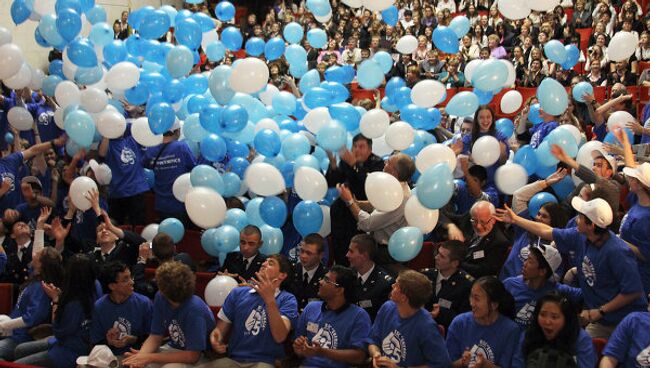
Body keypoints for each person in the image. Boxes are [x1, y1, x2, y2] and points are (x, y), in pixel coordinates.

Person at [495, 197, 648, 338]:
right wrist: (515, 219)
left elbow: (633, 291)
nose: (576, 220)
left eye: (580, 217)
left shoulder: (617, 251)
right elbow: (546, 231)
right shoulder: (580, 236)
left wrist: (601, 310)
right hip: (601, 319)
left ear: (591, 225)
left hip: (626, 319)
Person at [207, 254, 298, 367]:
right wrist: (216, 338)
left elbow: (280, 337)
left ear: (282, 275)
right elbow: (219, 330)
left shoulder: (287, 299)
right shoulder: (238, 293)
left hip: (264, 361)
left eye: (270, 263)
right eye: (265, 261)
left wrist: (270, 300)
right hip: (234, 359)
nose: (264, 264)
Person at [122, 261, 215, 367]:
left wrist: (149, 357)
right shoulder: (160, 298)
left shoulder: (195, 309)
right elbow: (155, 336)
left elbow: (193, 356)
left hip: (201, 357)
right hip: (172, 349)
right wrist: (141, 358)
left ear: (163, 289)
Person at [14, 254, 98, 367]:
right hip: (70, 342)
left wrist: (56, 300)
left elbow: (58, 331)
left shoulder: (74, 304)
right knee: (20, 350)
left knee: (15, 364)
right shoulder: (95, 287)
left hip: (68, 351)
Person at [338, 153, 415, 266]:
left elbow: (368, 223)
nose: (384, 163)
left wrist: (349, 202)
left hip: (387, 255)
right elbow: (378, 205)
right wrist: (357, 203)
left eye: (388, 162)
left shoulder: (400, 198)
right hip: (382, 248)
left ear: (394, 172)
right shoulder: (397, 187)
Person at [0, 224, 63, 361]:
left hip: (21, 337)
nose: (35, 253)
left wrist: (5, 325)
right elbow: (38, 250)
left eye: (38, 254)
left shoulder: (41, 287)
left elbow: (32, 318)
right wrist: (39, 227)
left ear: (41, 264)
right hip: (11, 330)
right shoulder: (35, 275)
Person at [368, 270, 451, 367]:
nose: (392, 286)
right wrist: (376, 354)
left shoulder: (426, 326)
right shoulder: (387, 308)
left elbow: (441, 364)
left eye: (396, 286)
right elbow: (373, 340)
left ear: (404, 298)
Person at [293, 266, 371, 368]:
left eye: (326, 280)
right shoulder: (311, 308)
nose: (320, 282)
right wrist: (298, 347)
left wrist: (322, 352)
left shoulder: (359, 316)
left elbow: (360, 357)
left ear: (339, 290)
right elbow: (298, 346)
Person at [500, 169, 570, 280]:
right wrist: (545, 183)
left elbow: (555, 277)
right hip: (504, 283)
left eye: (544, 216)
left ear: (554, 221)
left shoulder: (555, 248)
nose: (538, 218)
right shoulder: (526, 228)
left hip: (528, 292)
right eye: (538, 214)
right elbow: (519, 196)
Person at [326, 134, 384, 266]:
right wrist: (333, 165)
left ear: (369, 150)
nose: (357, 150)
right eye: (355, 146)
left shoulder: (377, 163)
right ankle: (340, 262)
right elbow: (332, 184)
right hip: (343, 208)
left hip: (364, 208)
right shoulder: (346, 162)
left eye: (361, 147)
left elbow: (368, 187)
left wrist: (354, 164)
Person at [446, 276, 521, 368]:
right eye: (471, 297)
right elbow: (446, 364)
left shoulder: (511, 330)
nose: (471, 303)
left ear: (494, 305)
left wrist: (487, 366)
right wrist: (462, 362)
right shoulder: (459, 323)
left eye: (477, 299)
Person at [503, 244, 582, 329]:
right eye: (526, 259)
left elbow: (586, 294)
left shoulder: (557, 291)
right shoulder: (509, 285)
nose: (524, 264)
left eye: (530, 261)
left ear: (542, 271)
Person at [517, 291, 597, 368]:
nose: (547, 322)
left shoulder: (581, 339)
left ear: (567, 319)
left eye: (554, 317)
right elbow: (517, 364)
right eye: (543, 315)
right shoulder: (528, 335)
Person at [90, 261, 152, 357]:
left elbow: (153, 338)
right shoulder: (99, 307)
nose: (132, 282)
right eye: (125, 280)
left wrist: (133, 339)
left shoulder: (144, 303)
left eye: (131, 277)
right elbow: (96, 342)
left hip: (138, 356)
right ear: (112, 286)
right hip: (109, 358)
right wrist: (109, 341)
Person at [143, 129, 197, 224]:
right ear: (176, 132)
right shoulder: (181, 146)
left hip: (161, 201)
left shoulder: (151, 150)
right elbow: (193, 167)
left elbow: (144, 164)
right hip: (181, 201)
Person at [421, 240, 473, 330]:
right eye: (438, 253)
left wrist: (440, 313)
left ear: (454, 263)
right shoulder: (427, 275)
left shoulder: (466, 285)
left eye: (442, 256)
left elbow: (464, 319)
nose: (436, 257)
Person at [346, 234, 393, 321]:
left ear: (364, 256)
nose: (347, 255)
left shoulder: (384, 284)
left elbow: (382, 318)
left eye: (351, 251)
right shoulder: (347, 274)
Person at [461, 201, 511, 279]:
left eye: (483, 222)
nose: (478, 226)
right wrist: (450, 226)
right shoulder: (471, 220)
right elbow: (452, 218)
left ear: (493, 220)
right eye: (474, 221)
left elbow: (485, 271)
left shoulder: (499, 242)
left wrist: (458, 263)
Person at [288, 233, 328, 312]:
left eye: (309, 253)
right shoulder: (291, 271)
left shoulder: (326, 277)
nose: (303, 256)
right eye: (302, 251)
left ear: (320, 255)